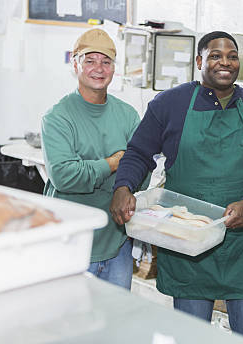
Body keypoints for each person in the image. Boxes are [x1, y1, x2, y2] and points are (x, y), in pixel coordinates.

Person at [110, 30, 243, 343]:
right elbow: (138, 152)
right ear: (199, 61)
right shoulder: (169, 104)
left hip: (240, 244)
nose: (225, 63)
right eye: (216, 56)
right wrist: (124, 186)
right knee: (192, 337)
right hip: (187, 241)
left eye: (232, 57)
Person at [41, 28, 143, 290]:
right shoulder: (57, 118)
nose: (99, 68)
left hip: (116, 243)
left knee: (116, 324)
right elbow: (65, 176)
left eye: (106, 62)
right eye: (90, 60)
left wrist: (118, 175)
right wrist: (113, 163)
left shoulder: (129, 116)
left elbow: (141, 171)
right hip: (72, 243)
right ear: (75, 64)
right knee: (71, 324)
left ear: (113, 68)